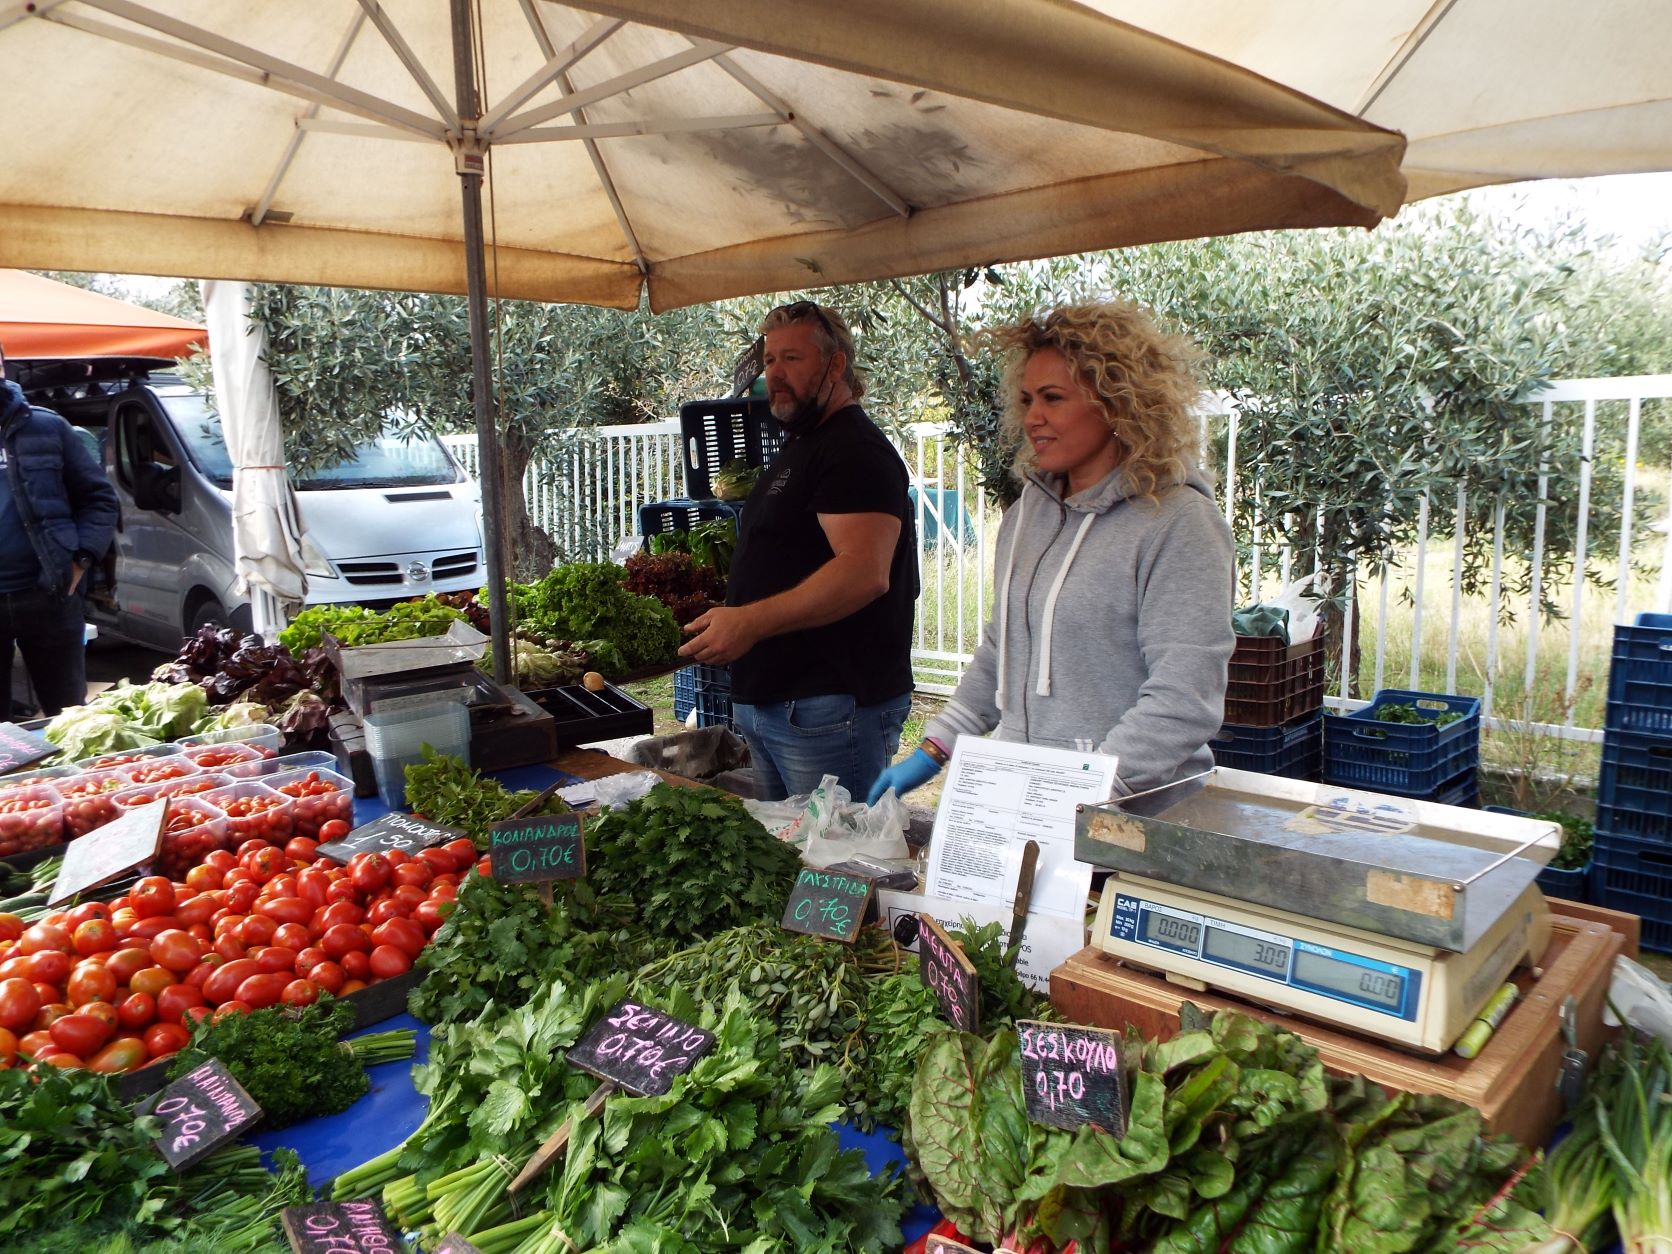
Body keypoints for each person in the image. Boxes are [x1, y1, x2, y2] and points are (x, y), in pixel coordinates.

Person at [869, 300, 1233, 804]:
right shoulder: (1026, 518)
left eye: (1053, 398)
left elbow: (1184, 698)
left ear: (1116, 402)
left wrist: (1086, 793)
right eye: (1026, 399)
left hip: (1130, 822)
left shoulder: (1178, 522)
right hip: (1025, 802)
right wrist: (934, 748)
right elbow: (1005, 649)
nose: (1032, 417)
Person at [681, 300, 918, 801]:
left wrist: (749, 622)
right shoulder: (805, 443)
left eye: (792, 358)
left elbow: (863, 573)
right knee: (788, 869)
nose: (775, 374)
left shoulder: (855, 450)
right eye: (769, 361)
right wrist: (735, 612)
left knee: (836, 867)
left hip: (828, 710)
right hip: (780, 705)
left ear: (836, 366)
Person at [0, 341, 119, 716]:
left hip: (49, 594)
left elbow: (100, 499)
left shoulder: (47, 427)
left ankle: (70, 778)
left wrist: (81, 558)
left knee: (68, 717)